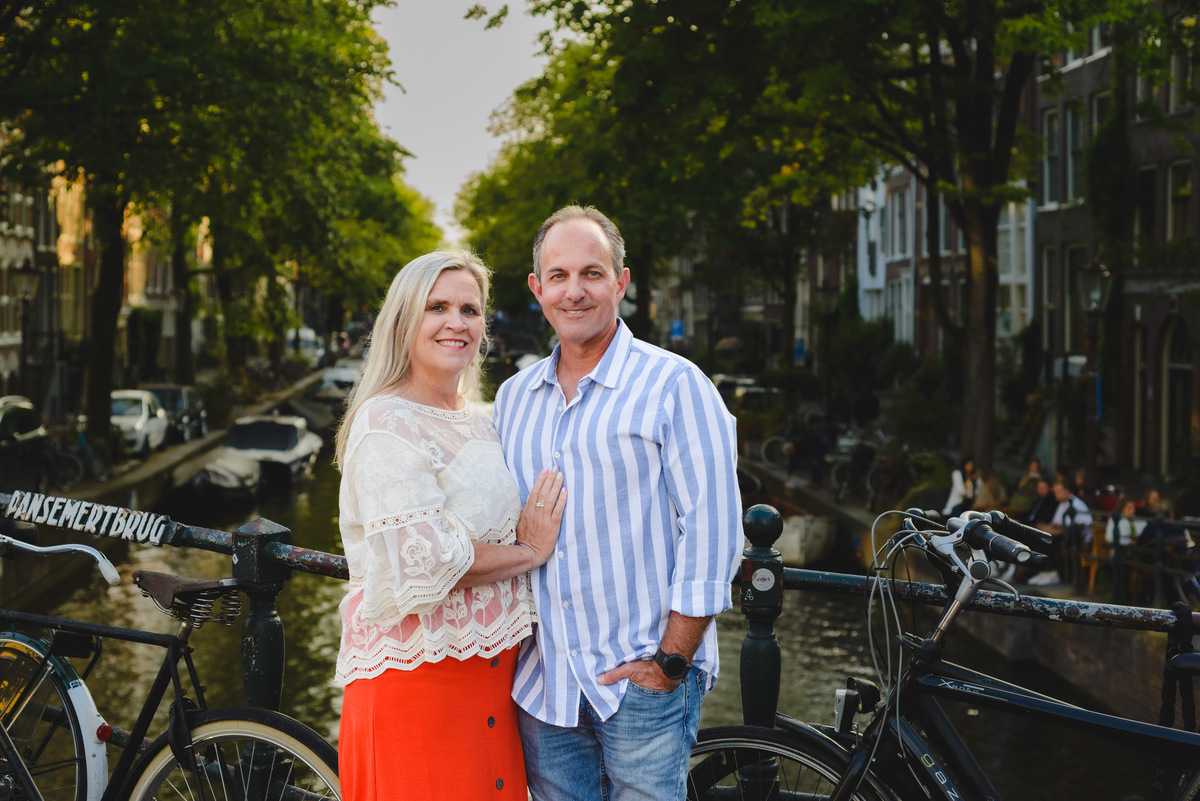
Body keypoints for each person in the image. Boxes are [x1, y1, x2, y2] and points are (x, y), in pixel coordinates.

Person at [493, 205, 742, 801]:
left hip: (642, 686)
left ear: (621, 282)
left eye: (592, 273)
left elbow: (713, 533)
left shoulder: (676, 386)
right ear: (537, 289)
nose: (574, 291)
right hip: (545, 688)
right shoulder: (512, 399)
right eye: (558, 276)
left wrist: (670, 664)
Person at [332, 250, 568, 800]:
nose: (456, 322)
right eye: (437, 306)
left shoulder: (480, 418)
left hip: (495, 686)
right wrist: (528, 552)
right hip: (420, 685)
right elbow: (427, 559)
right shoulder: (385, 421)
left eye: (470, 309)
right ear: (404, 319)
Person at [1028, 480, 1093, 586]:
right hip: (1066, 534)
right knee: (1040, 537)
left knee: (1047, 540)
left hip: (1078, 538)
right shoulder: (1063, 503)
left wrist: (1049, 531)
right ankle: (1044, 571)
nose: (1056, 494)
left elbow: (1068, 528)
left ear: (1067, 491)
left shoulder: (1075, 504)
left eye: (1058, 491)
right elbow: (1056, 523)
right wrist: (1046, 528)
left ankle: (1051, 573)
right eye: (1055, 492)